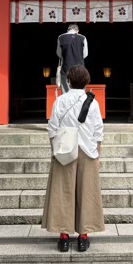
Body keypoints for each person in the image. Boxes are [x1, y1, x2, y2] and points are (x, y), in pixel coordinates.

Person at [42, 65, 104, 252]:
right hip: (87, 150)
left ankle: (64, 237)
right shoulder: (92, 102)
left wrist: (55, 149)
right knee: (87, 193)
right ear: (86, 81)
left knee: (63, 192)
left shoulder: (60, 101)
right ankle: (84, 237)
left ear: (68, 80)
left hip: (65, 150)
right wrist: (98, 154)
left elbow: (52, 127)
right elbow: (98, 131)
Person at [56, 24, 88, 93]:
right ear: (77, 31)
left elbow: (59, 54)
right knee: (80, 92)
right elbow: (85, 54)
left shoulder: (60, 37)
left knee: (66, 92)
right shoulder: (83, 38)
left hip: (66, 68)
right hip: (80, 69)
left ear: (68, 30)